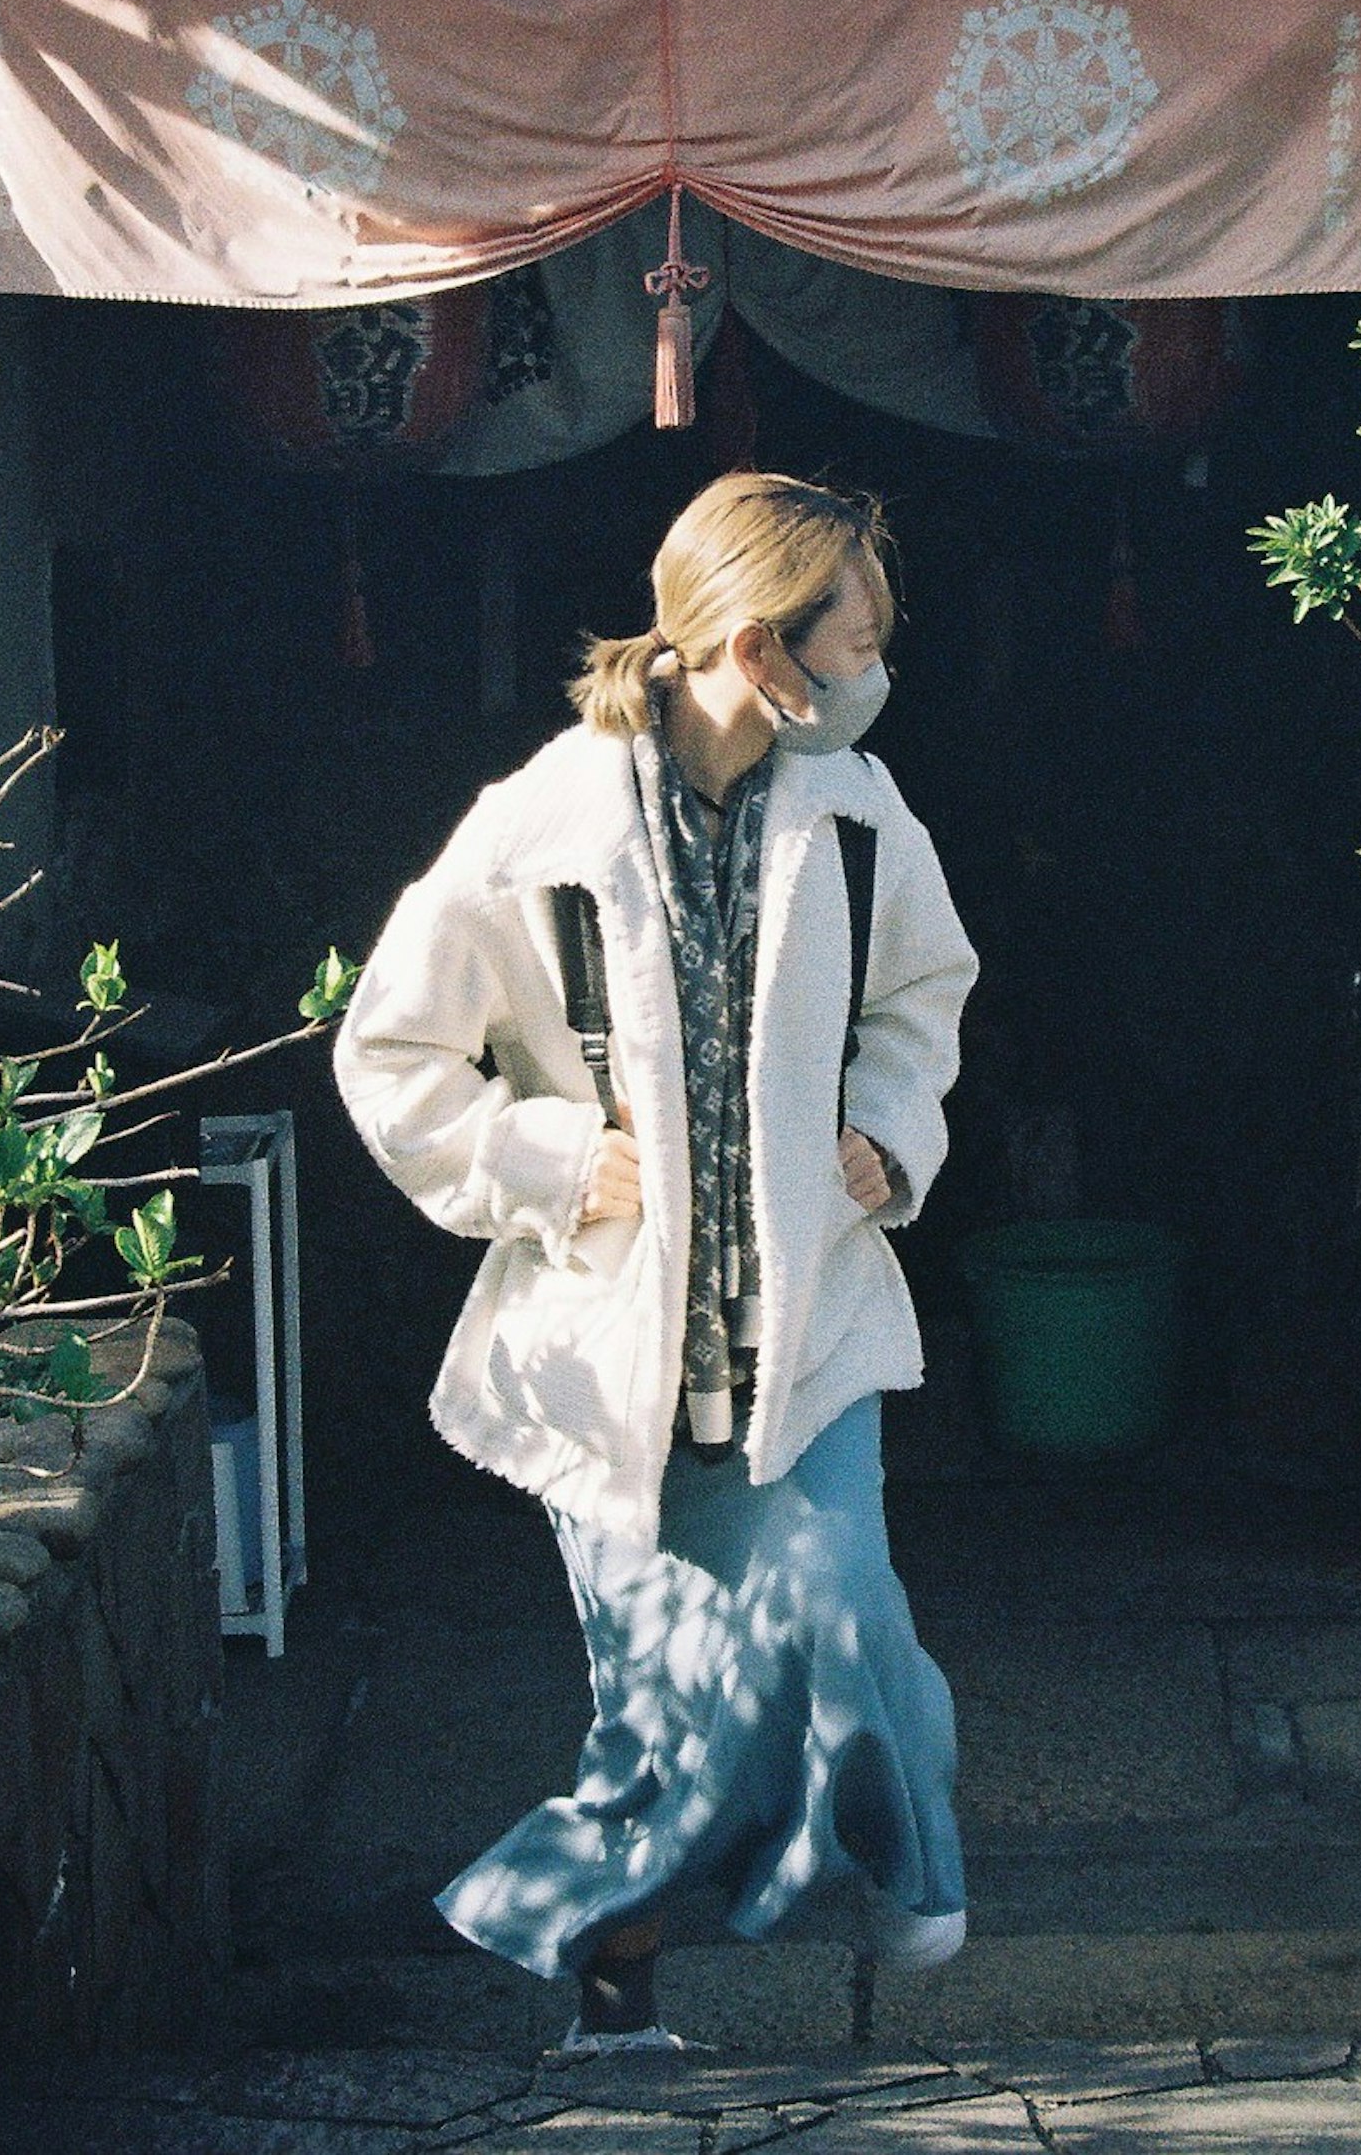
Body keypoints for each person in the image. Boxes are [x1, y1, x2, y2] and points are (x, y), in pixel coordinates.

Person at [335, 472, 978, 2053]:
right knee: (664, 1720)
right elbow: (394, 1050)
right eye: (857, 638)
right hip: (614, 1352)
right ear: (760, 648)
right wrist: (541, 1159)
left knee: (847, 1611)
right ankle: (607, 1984)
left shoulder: (858, 815)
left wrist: (887, 1135)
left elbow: (924, 999)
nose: (876, 669)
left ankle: (907, 1864)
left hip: (805, 1329)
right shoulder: (539, 825)